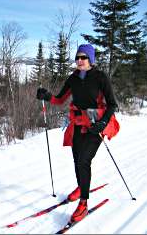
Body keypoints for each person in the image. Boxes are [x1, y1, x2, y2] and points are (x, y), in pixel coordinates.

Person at [36, 44, 119, 222]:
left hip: (96, 125)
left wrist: (103, 122)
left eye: (83, 57)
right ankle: (82, 187)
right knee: (76, 159)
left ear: (91, 59)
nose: (79, 60)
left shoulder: (100, 77)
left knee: (84, 161)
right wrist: (46, 95)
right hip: (79, 123)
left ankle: (83, 203)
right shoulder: (73, 78)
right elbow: (59, 100)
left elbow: (112, 104)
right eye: (77, 57)